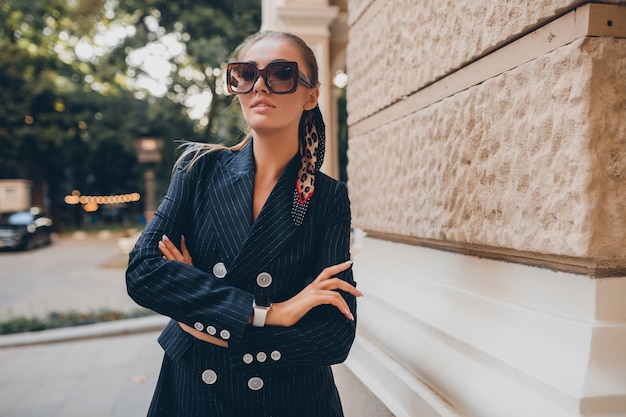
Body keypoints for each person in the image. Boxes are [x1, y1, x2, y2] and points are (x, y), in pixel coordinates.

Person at [126, 30, 362, 417]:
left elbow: (334, 337)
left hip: (290, 402)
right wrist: (272, 312)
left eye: (281, 74)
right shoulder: (197, 169)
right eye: (245, 74)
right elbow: (143, 272)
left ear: (311, 95)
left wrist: (199, 317)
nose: (260, 86)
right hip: (193, 394)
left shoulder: (327, 196)